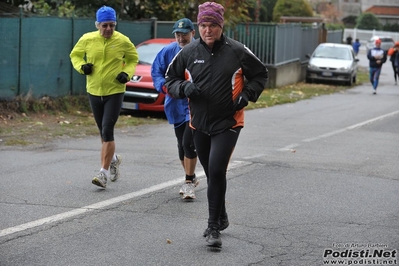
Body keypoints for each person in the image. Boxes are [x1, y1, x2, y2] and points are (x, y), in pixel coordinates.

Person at [165, 2, 268, 248]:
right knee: (211, 173)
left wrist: (247, 94)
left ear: (221, 26)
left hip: (229, 121)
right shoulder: (188, 52)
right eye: (203, 25)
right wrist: (183, 87)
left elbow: (261, 74)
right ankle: (221, 215)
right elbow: (170, 79)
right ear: (198, 26)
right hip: (199, 123)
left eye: (212, 25)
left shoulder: (237, 51)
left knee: (216, 170)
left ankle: (213, 228)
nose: (207, 30)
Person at [70, 6, 139, 188]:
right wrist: (82, 66)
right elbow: (75, 55)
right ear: (97, 25)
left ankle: (103, 173)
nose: (108, 29)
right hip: (93, 90)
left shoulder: (123, 41)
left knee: (108, 130)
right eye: (104, 25)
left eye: (112, 25)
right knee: (103, 132)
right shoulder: (87, 39)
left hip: (115, 91)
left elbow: (133, 59)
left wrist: (127, 73)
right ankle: (114, 159)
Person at [151, 18, 199, 199]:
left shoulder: (200, 50)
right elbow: (156, 72)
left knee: (189, 142)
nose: (181, 38)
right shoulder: (168, 51)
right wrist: (163, 87)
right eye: (178, 34)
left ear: (193, 33)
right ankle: (192, 176)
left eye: (185, 34)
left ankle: (188, 183)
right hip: (175, 105)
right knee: (181, 145)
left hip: (195, 105)